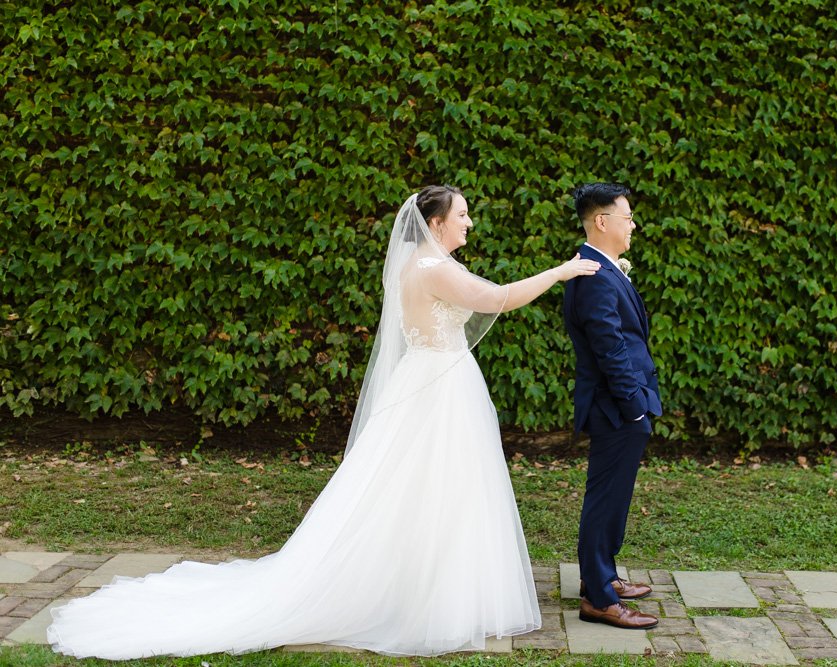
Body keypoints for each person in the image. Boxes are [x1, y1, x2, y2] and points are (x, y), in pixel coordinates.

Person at [47, 185, 600, 659]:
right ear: (436, 223)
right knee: (435, 486)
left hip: (432, 380)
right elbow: (499, 298)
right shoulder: (432, 267)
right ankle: (427, 598)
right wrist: (563, 270)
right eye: (461, 214)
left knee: (427, 490)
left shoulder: (422, 264)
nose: (469, 222)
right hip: (439, 387)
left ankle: (426, 588)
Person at [562, 183, 662, 629]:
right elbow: (610, 348)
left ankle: (599, 577)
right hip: (615, 407)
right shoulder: (594, 276)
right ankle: (600, 599)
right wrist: (635, 407)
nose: (633, 224)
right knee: (604, 500)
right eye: (627, 217)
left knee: (613, 498)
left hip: (622, 405)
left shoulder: (604, 269)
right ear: (602, 221)